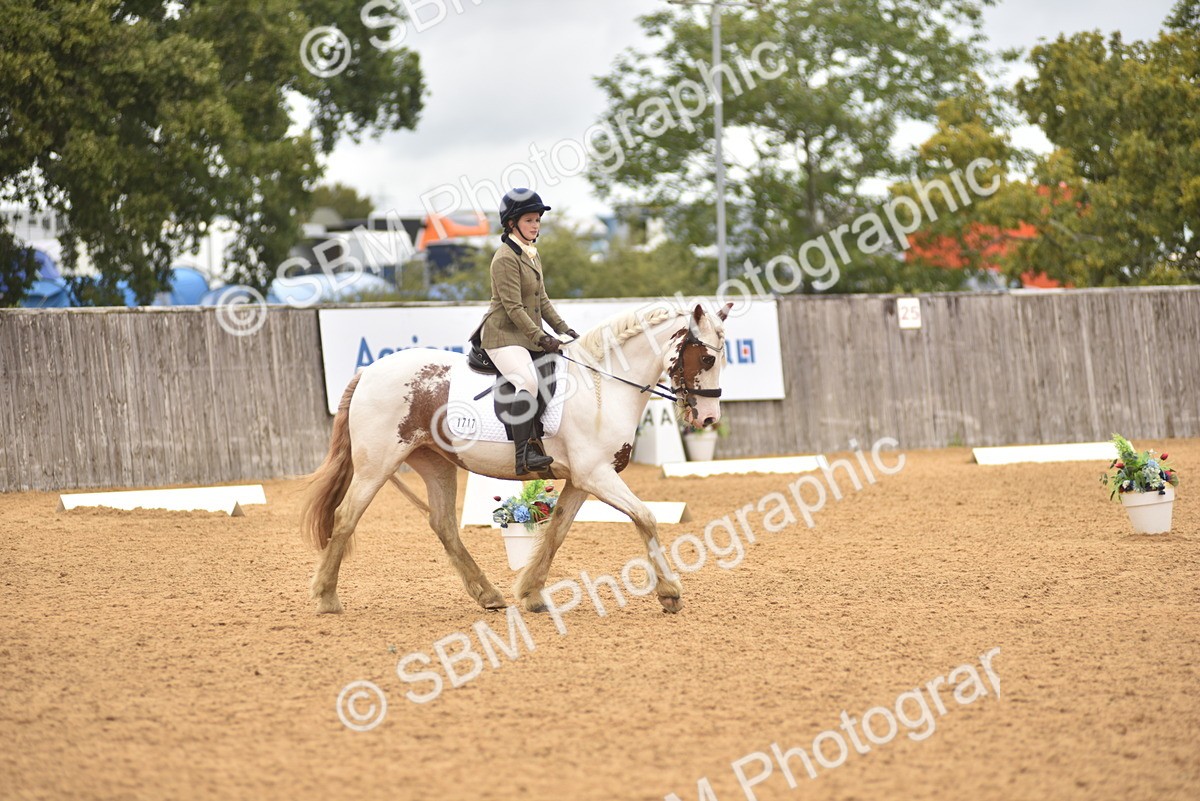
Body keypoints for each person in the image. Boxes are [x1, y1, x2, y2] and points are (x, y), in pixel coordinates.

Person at [478, 189, 578, 474]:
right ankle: (524, 454)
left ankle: (541, 436)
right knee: (528, 382)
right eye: (529, 220)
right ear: (512, 223)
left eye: (537, 220)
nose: (535, 226)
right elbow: (513, 308)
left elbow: (542, 300)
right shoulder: (504, 258)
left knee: (553, 371)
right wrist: (541, 337)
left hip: (525, 336)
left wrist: (564, 329)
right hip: (502, 335)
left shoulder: (532, 254)